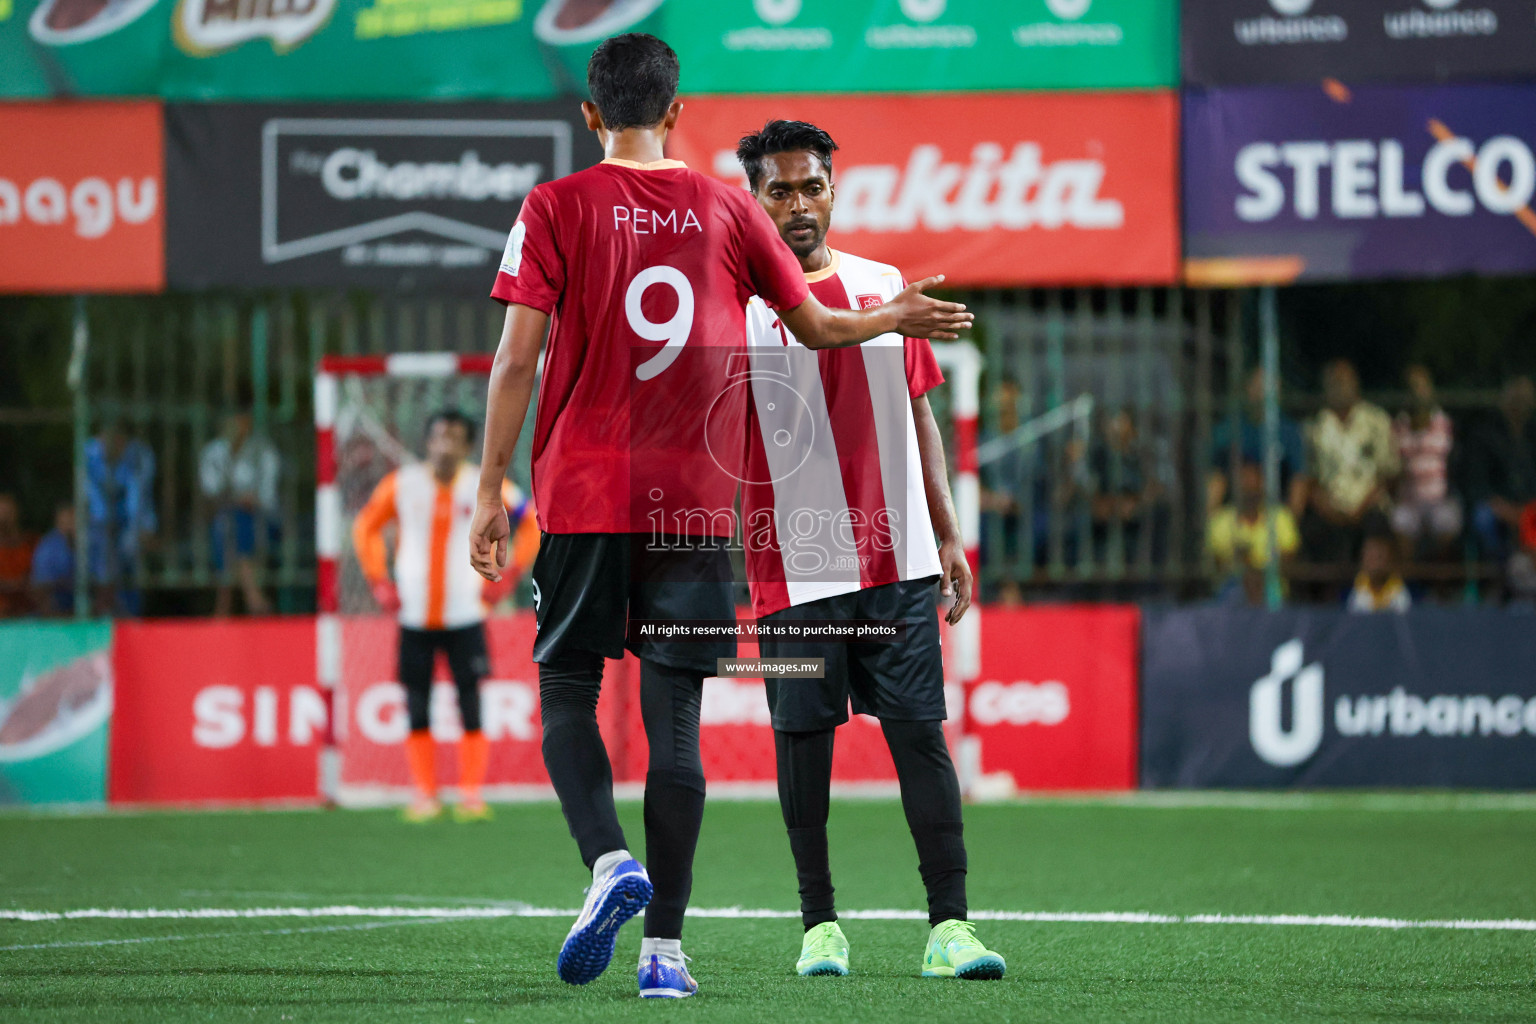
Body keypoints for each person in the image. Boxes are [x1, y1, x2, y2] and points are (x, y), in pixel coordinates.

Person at [467, 34, 971, 998]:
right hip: (695, 509)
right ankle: (665, 953)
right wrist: (892, 317)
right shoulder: (728, 207)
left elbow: (515, 363)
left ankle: (610, 864)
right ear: (678, 111)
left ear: (589, 115)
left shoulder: (553, 207)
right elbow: (819, 328)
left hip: (582, 493)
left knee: (568, 690)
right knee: (677, 722)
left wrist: (493, 489)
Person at [735, 119, 1004, 982]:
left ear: (833, 190)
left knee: (920, 738)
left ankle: (950, 928)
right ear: (755, 198)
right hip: (791, 567)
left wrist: (951, 530)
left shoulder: (884, 284)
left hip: (898, 561)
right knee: (801, 746)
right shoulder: (730, 302)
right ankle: (820, 926)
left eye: (812, 185)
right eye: (780, 189)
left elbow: (919, 413)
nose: (800, 203)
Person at [352, 411, 538, 825]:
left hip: (466, 614)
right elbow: (365, 528)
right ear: (427, 442)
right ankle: (425, 794)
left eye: (454, 438)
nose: (444, 445)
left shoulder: (490, 487)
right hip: (414, 616)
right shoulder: (400, 484)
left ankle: (470, 795)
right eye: (438, 436)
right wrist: (378, 580)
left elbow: (532, 525)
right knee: (416, 702)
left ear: (468, 447)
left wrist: (508, 577)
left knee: (470, 700)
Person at [1301, 359, 1399, 567]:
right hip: (1329, 508)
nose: (1340, 387)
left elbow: (1388, 475)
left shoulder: (1376, 420)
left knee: (1378, 528)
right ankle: (1327, 597)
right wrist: (1327, 508)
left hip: (1370, 506)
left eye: (1344, 381)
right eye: (1334, 382)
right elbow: (1310, 479)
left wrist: (1360, 509)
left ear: (1356, 383)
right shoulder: (1315, 426)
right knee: (1312, 532)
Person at [199, 411, 281, 616]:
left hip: (261, 520)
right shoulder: (214, 452)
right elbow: (210, 491)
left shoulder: (263, 451)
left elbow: (267, 495)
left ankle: (224, 606)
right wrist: (235, 498)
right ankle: (253, 597)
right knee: (230, 523)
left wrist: (248, 500)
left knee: (233, 525)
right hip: (225, 519)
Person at [1208, 367, 1306, 514]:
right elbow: (1217, 478)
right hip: (1235, 514)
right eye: (1259, 387)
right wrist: (1212, 523)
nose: (1264, 394)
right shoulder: (1229, 429)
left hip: (1276, 512)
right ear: (1247, 389)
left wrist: (1288, 524)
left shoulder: (1290, 431)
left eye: (1271, 388)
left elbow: (1298, 481)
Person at [83, 421, 157, 615]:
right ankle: (103, 611)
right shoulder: (88, 453)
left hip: (130, 522)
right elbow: (91, 496)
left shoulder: (140, 454)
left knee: (131, 550)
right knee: (103, 555)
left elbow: (140, 495)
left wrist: (145, 527)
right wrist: (104, 523)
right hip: (99, 521)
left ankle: (130, 615)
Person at [1462, 375, 1536, 564]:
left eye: (1526, 400)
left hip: (1529, 507)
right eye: (1517, 400)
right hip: (1497, 507)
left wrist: (1526, 511)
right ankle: (1497, 572)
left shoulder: (1531, 435)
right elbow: (1477, 485)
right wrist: (1507, 510)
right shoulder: (1485, 434)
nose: (1521, 406)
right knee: (1483, 518)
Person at [1390, 365, 1460, 560]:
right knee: (1400, 520)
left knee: (1447, 521)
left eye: (1422, 386)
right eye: (1412, 387)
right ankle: (1411, 584)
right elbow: (1394, 467)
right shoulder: (1398, 426)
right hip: (1409, 500)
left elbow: (1456, 464)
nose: (1417, 393)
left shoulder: (1446, 424)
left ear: (1431, 390)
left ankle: (1440, 587)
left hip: (1441, 498)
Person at [1206, 461, 1299, 606]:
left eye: (1254, 483)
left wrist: (1257, 572)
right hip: (1233, 588)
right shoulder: (1221, 520)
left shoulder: (1280, 517)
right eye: (1244, 483)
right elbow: (1218, 564)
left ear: (1262, 485)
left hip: (1271, 588)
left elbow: (1289, 558)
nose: (1249, 488)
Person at [28, 503, 108, 616]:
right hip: (55, 612)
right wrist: (56, 616)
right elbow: (40, 589)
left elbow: (106, 586)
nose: (69, 528)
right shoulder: (47, 546)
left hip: (93, 611)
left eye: (73, 522)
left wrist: (91, 613)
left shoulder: (98, 543)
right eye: (64, 523)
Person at [1347, 532, 1411, 613]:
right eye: (1370, 558)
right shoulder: (1357, 592)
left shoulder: (1399, 593)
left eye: (1379, 558)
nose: (1374, 565)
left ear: (1389, 561)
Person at [0, 494, 36, 617]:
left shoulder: (32, 542)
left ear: (16, 513)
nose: (3, 517)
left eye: (7, 512)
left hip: (32, 609)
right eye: (1, 512)